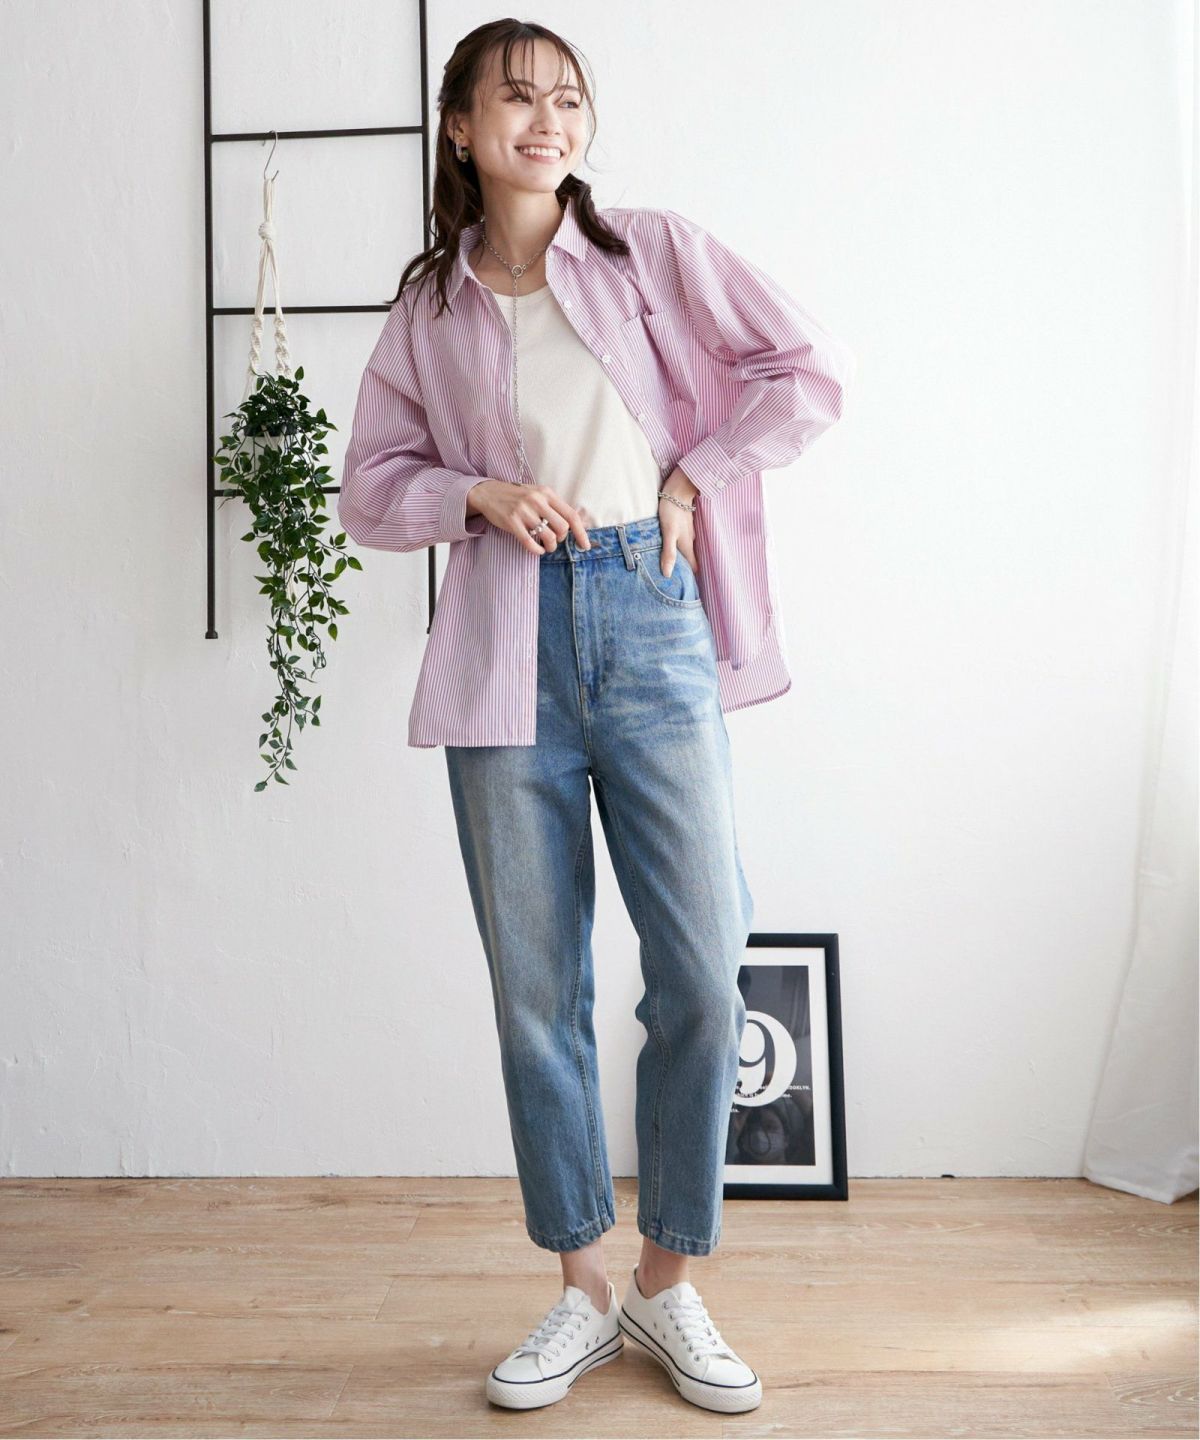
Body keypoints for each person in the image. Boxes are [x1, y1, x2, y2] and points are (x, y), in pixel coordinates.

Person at [338, 18, 854, 1417]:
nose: (547, 121)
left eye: (567, 99)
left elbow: (804, 371)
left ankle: (667, 1285)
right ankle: (579, 1287)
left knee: (703, 966)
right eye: (515, 99)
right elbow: (369, 483)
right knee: (536, 995)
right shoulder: (431, 308)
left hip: (650, 611)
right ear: (460, 128)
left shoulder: (652, 252)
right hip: (507, 637)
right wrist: (475, 495)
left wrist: (691, 479)